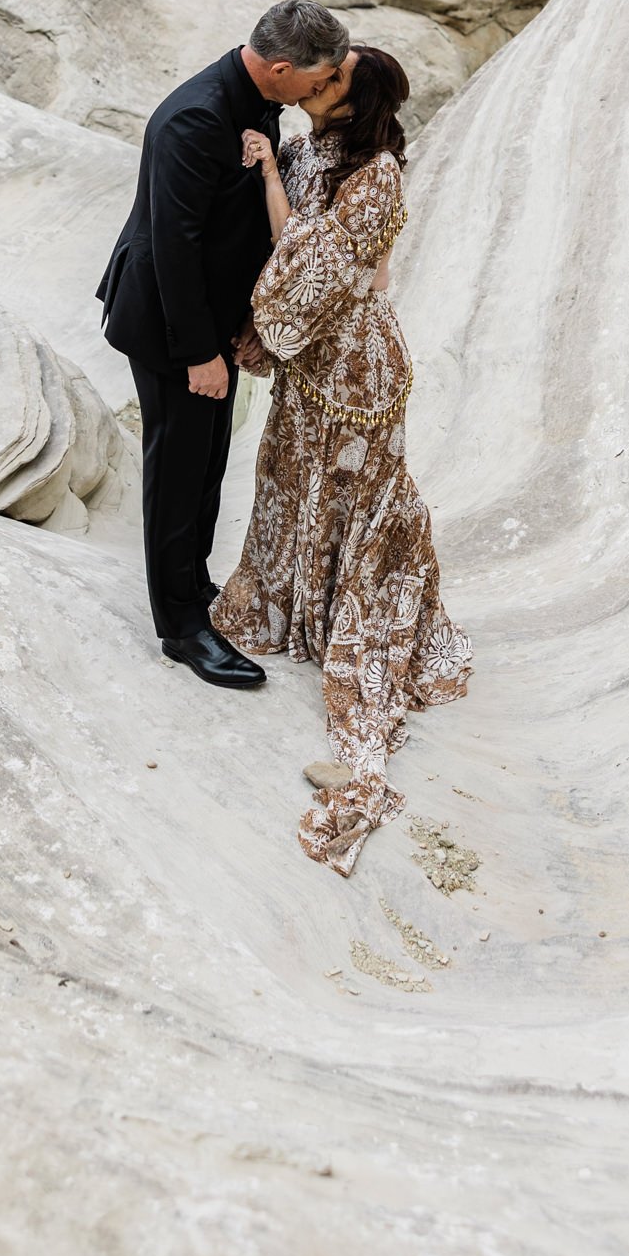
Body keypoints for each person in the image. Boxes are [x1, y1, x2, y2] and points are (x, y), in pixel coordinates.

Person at [212, 45, 471, 872]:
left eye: (332, 81)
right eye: (321, 73)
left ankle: (348, 623)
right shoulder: (307, 146)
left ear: (352, 105)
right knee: (292, 476)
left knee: (354, 492)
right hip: (312, 363)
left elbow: (308, 264)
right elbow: (299, 258)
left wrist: (268, 182)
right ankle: (299, 609)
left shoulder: (378, 177)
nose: (316, 82)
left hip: (355, 364)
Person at [97, 0, 351, 686]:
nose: (318, 92)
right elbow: (174, 248)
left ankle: (191, 589)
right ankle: (181, 630)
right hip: (168, 324)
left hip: (211, 320)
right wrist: (198, 354)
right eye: (316, 79)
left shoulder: (257, 103)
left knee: (206, 464)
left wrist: (245, 321)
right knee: (178, 471)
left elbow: (230, 232)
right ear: (279, 67)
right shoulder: (195, 118)